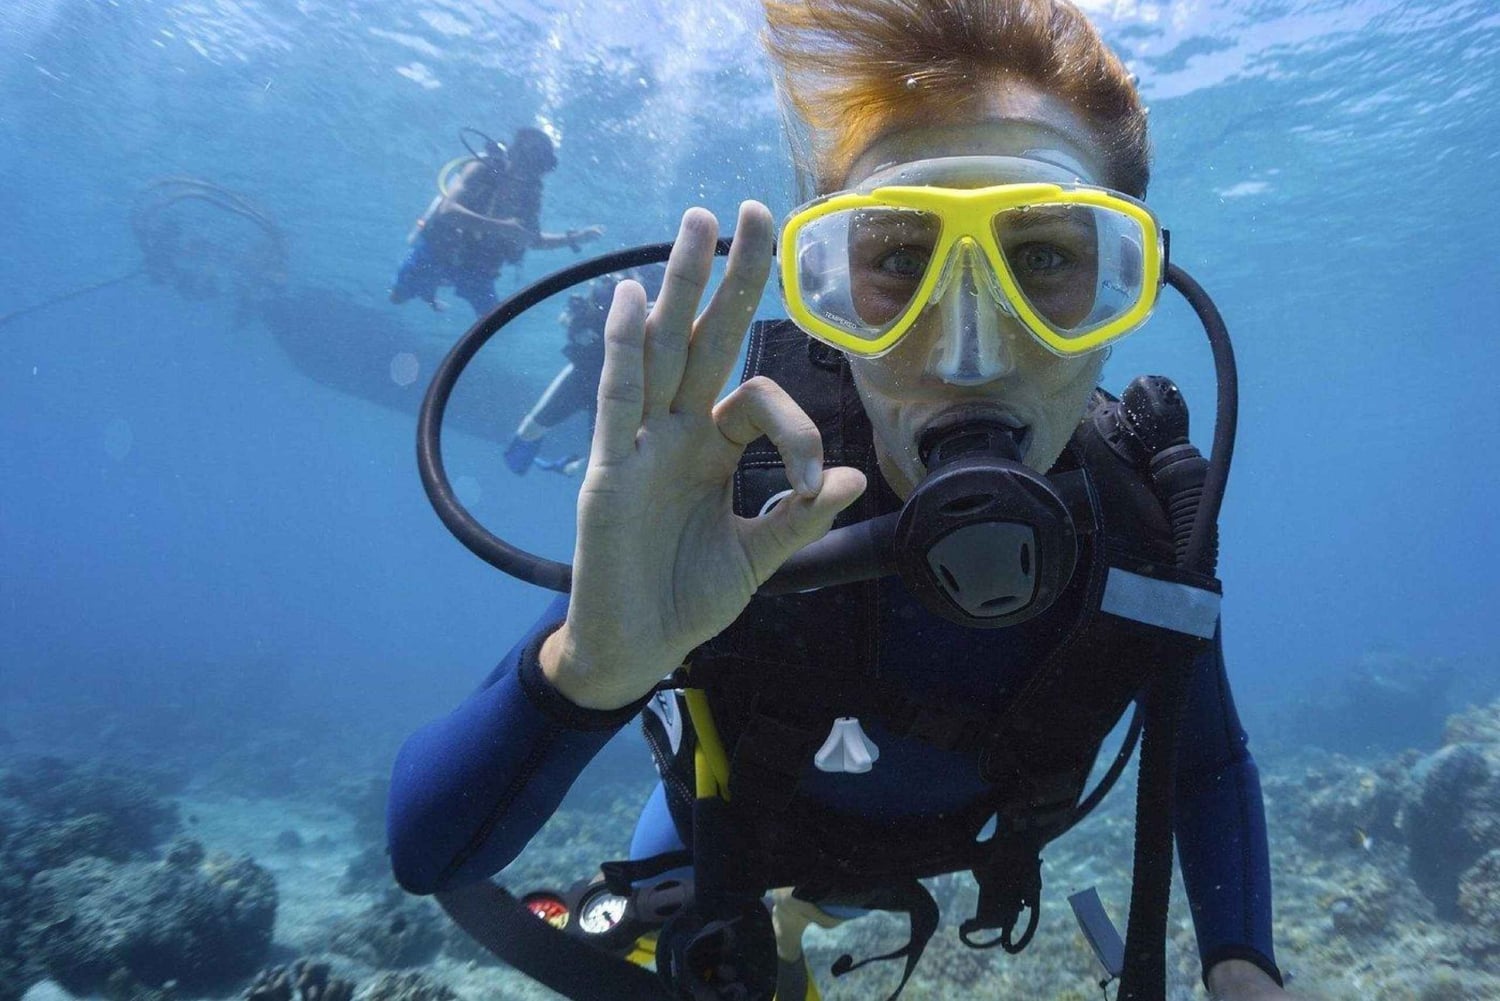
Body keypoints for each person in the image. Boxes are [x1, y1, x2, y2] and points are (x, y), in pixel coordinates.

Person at [387, 3, 1290, 1000]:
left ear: (1128, 287)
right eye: (899, 261)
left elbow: (1207, 765)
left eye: (1044, 259)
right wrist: (588, 668)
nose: (968, 351)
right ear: (831, 295)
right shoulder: (734, 500)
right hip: (725, 848)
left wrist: (1240, 967)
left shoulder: (1146, 533)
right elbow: (428, 852)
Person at [389, 127, 604, 317]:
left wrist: (574, 238)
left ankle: (431, 292)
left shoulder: (531, 195)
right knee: (397, 297)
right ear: (513, 155)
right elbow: (447, 211)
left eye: (538, 170)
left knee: (493, 319)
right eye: (527, 165)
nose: (529, 176)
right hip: (437, 253)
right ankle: (428, 293)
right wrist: (503, 227)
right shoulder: (482, 169)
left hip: (477, 270)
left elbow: (531, 240)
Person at [503, 266, 667, 476]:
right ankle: (551, 465)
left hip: (620, 385)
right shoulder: (605, 286)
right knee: (528, 432)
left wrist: (652, 318)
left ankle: (571, 466)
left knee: (603, 456)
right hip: (583, 374)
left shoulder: (657, 295)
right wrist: (575, 324)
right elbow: (566, 317)